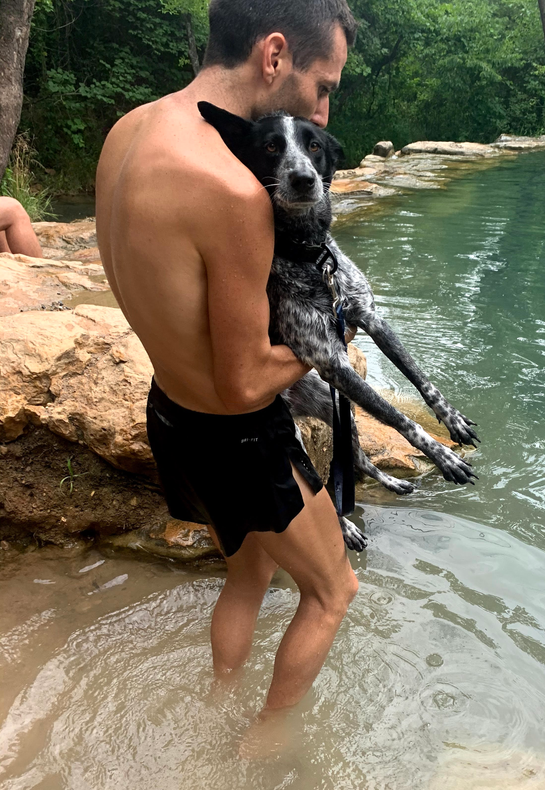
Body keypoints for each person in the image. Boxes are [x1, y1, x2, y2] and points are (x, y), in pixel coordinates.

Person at [95, 0, 360, 716]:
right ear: (273, 56)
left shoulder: (130, 131)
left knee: (247, 579)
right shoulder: (233, 190)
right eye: (324, 86)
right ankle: (263, 752)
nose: (324, 114)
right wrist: (326, 349)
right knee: (333, 592)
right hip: (238, 439)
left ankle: (219, 707)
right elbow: (243, 384)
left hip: (170, 415)